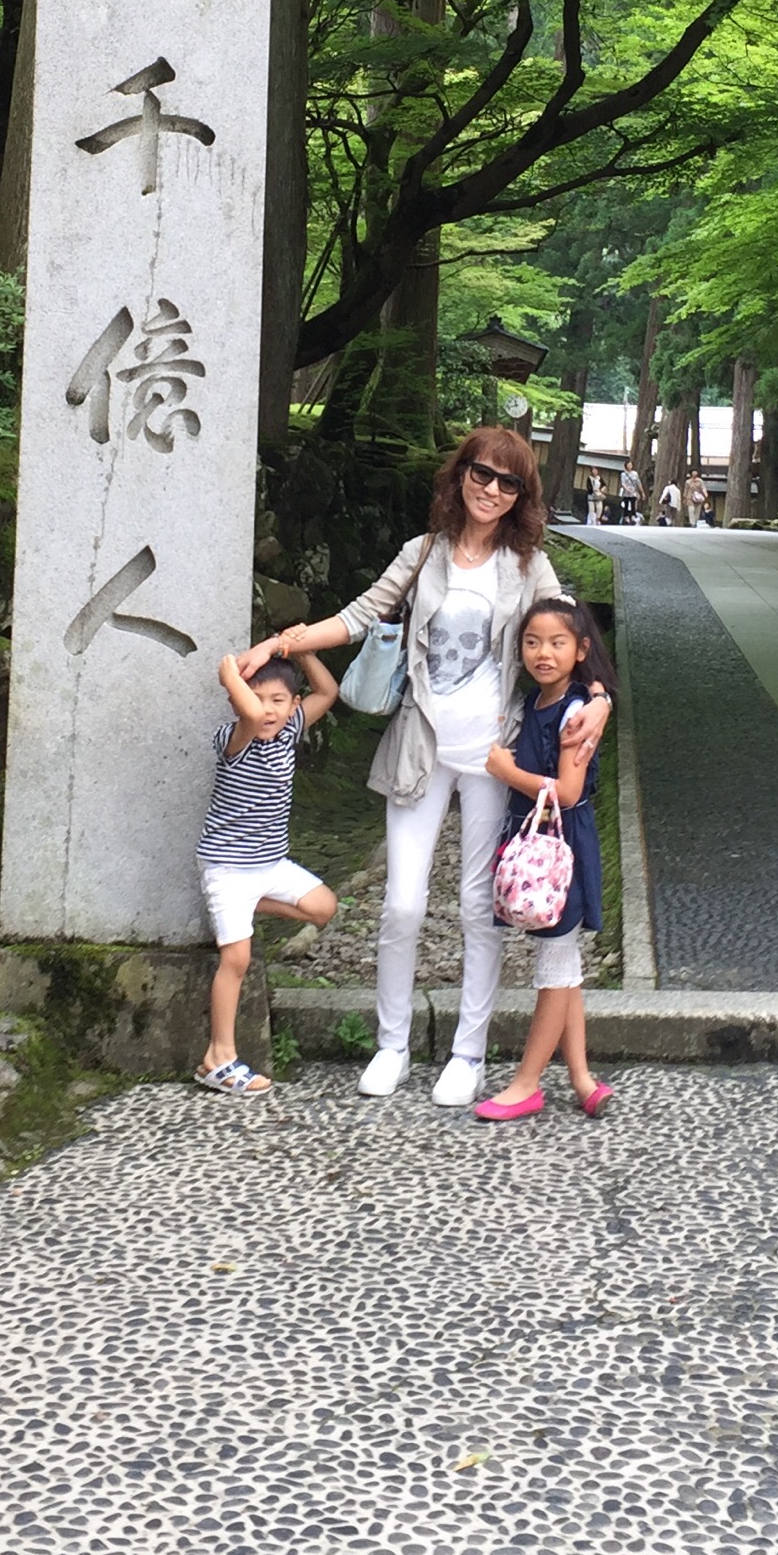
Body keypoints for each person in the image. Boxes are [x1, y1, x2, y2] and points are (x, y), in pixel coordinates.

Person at [246, 426, 606, 1105]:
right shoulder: (422, 554)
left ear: (522, 495)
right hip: (420, 744)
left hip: (495, 754)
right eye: (481, 473)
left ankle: (468, 1053)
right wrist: (283, 643)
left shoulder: (528, 565)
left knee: (478, 906)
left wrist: (601, 699)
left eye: (508, 482)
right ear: (460, 473)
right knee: (403, 903)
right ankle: (392, 1044)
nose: (491, 489)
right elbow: (359, 616)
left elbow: (570, 634)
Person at [475, 599, 616, 1121]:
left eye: (558, 643)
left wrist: (506, 772)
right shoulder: (535, 701)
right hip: (543, 842)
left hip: (564, 847)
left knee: (555, 963)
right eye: (532, 642)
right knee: (565, 962)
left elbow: (569, 791)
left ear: (581, 650)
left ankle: (527, 1083)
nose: (543, 653)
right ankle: (582, 1080)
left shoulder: (575, 710)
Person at [195, 647, 340, 1096]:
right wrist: (228, 675)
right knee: (236, 960)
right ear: (238, 702)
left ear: (293, 706)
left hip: (269, 865)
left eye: (278, 700)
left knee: (324, 907)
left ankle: (249, 905)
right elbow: (253, 716)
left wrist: (301, 649)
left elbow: (327, 691)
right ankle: (218, 1058)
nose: (268, 709)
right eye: (256, 697)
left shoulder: (290, 730)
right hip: (227, 867)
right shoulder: (236, 738)